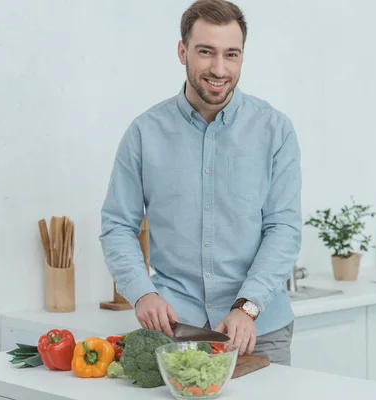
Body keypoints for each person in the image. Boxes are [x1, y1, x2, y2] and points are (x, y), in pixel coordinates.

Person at [99, 0, 302, 366]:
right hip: (176, 330)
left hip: (260, 331)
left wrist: (247, 306)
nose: (219, 68)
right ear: (182, 51)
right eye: (206, 52)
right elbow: (117, 226)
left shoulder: (275, 130)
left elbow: (283, 228)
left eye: (231, 54)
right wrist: (142, 293)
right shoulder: (144, 133)